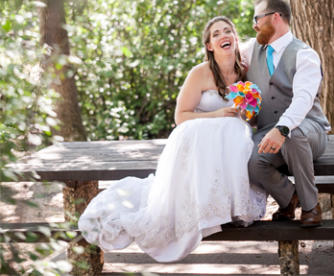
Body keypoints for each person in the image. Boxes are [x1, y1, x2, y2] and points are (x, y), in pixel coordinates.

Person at [78, 16, 267, 262]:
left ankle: (229, 206)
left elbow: (249, 117)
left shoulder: (245, 72)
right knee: (224, 129)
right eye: (216, 34)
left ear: (235, 38)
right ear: (210, 45)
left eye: (227, 31)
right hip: (197, 135)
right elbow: (181, 117)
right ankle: (203, 207)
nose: (223, 36)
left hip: (230, 140)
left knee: (236, 130)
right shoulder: (200, 73)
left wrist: (244, 113)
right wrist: (217, 114)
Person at [240, 0, 331, 228]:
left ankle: (311, 207)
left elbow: (303, 99)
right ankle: (289, 198)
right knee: (249, 161)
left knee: (292, 135)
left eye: (257, 18)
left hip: (309, 131)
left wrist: (282, 128)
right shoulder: (251, 50)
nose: (254, 25)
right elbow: (222, 59)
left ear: (275, 17)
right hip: (267, 130)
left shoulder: (304, 54)